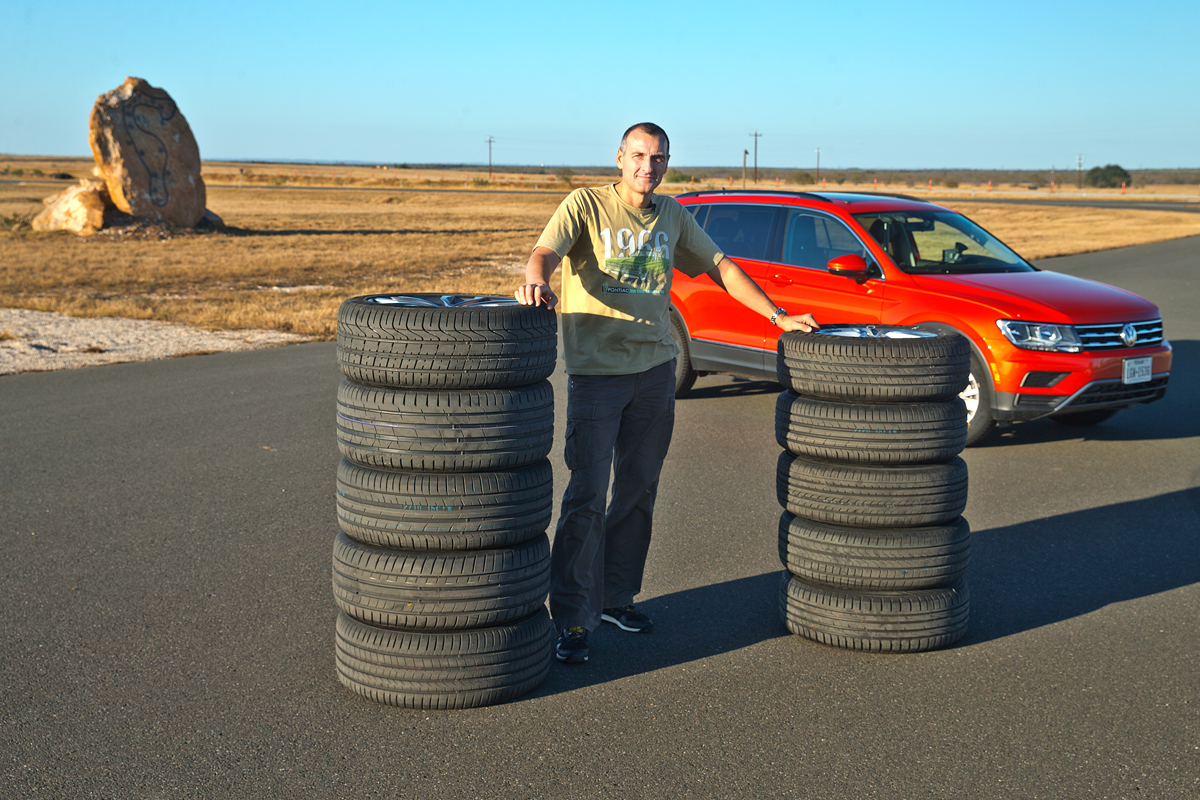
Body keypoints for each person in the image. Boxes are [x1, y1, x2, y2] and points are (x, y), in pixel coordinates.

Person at [515, 122, 818, 664]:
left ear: (666, 163)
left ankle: (615, 598)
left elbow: (722, 267)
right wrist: (535, 278)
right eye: (638, 156)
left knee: (638, 491)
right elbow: (545, 252)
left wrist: (776, 315)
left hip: (656, 371)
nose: (647, 167)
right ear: (619, 158)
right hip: (597, 375)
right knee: (586, 495)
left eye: (657, 158)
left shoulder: (673, 215)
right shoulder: (585, 205)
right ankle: (571, 618)